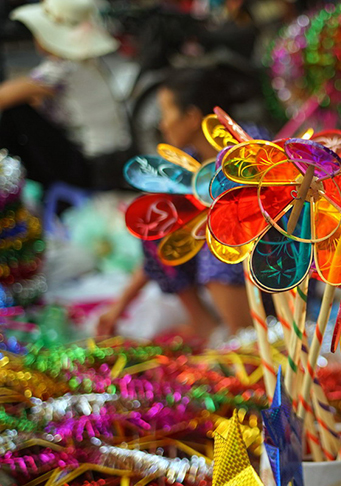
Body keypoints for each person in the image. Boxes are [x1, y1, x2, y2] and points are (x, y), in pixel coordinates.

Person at [97, 67, 267, 342]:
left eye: (166, 113)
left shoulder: (248, 147)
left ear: (191, 117)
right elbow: (162, 237)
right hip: (233, 268)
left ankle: (245, 339)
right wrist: (119, 306)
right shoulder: (189, 161)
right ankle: (205, 325)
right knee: (158, 219)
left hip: (273, 265)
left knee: (219, 249)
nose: (162, 124)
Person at [0, 0, 131, 190]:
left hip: (93, 165)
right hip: (112, 157)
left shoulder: (63, 67)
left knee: (16, 110)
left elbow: (5, 96)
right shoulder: (85, 61)